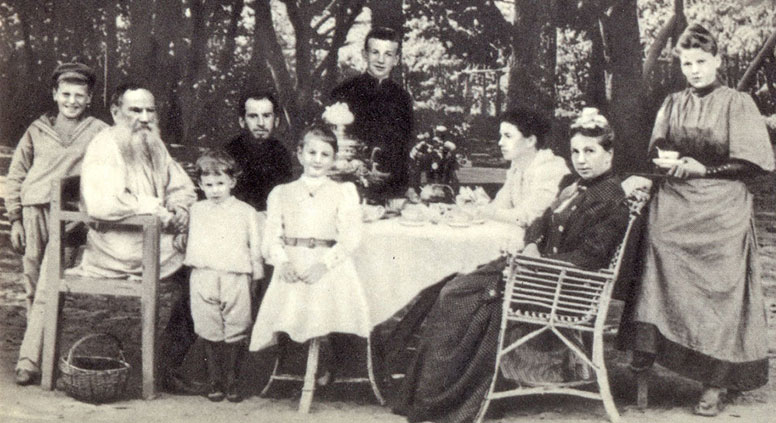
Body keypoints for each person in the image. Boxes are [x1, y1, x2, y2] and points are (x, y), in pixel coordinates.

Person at [390, 109, 631, 423]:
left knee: (462, 299)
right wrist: (531, 245)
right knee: (454, 288)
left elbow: (589, 259)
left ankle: (454, 401)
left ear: (608, 153)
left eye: (590, 151)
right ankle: (428, 396)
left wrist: (537, 265)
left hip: (562, 287)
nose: (581, 159)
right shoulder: (574, 186)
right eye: (575, 151)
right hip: (537, 272)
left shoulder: (611, 199)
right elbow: (540, 221)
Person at [619, 24, 775, 417]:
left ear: (717, 61)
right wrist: (668, 159)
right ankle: (650, 346)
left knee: (719, 287)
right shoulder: (673, 102)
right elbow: (660, 147)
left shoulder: (737, 103)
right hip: (676, 200)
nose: (694, 70)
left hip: (721, 204)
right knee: (655, 245)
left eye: (701, 62)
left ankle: (716, 380)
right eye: (687, 63)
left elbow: (753, 164)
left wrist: (705, 170)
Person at [13, 82, 197, 386]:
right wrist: (160, 211)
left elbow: (181, 185)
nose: (144, 117)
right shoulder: (105, 145)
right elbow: (104, 205)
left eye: (150, 110)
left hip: (151, 240)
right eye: (135, 110)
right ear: (115, 112)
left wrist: (179, 209)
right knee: (203, 265)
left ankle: (169, 362)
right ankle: (166, 368)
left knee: (209, 264)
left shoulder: (153, 142)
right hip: (118, 248)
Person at [248, 124, 371, 382]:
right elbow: (271, 236)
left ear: (334, 159)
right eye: (312, 152)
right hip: (293, 262)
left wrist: (324, 265)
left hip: (326, 265)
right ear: (300, 153)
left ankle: (328, 367)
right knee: (292, 309)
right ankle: (297, 365)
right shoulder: (282, 193)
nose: (317, 160)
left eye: (325, 155)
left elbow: (351, 236)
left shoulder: (343, 192)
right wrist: (282, 263)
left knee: (326, 306)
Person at [5, 62, 108, 312]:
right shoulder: (37, 130)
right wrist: (15, 218)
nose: (71, 101)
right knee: (32, 280)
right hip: (33, 213)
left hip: (70, 216)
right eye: (65, 94)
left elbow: (110, 173)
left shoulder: (100, 132)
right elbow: (17, 174)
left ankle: (47, 348)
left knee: (55, 284)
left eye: (79, 96)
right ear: (55, 95)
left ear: (89, 98)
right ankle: (34, 349)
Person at [182, 149, 264, 402]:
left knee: (237, 326)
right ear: (200, 185)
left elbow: (255, 246)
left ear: (232, 182)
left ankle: (233, 380)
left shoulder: (246, 212)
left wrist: (256, 276)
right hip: (204, 275)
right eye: (209, 185)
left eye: (220, 183)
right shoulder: (195, 210)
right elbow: (182, 239)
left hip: (235, 275)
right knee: (208, 326)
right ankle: (214, 380)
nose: (215, 189)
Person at [330, 26, 413, 201]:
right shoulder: (344, 91)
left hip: (392, 188)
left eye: (388, 54)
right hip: (350, 187)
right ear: (364, 54)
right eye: (375, 52)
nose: (381, 60)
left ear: (396, 59)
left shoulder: (403, 98)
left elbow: (405, 147)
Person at [476, 108, 571, 229]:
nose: (500, 142)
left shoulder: (550, 168)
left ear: (530, 141)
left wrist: (487, 211)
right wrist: (478, 205)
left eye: (508, 136)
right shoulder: (517, 167)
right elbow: (500, 205)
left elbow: (528, 217)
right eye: (501, 136)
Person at [224, 90, 294, 212]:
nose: (261, 123)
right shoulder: (229, 153)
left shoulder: (281, 153)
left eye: (266, 116)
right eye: (253, 116)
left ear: (276, 121)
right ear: (242, 121)